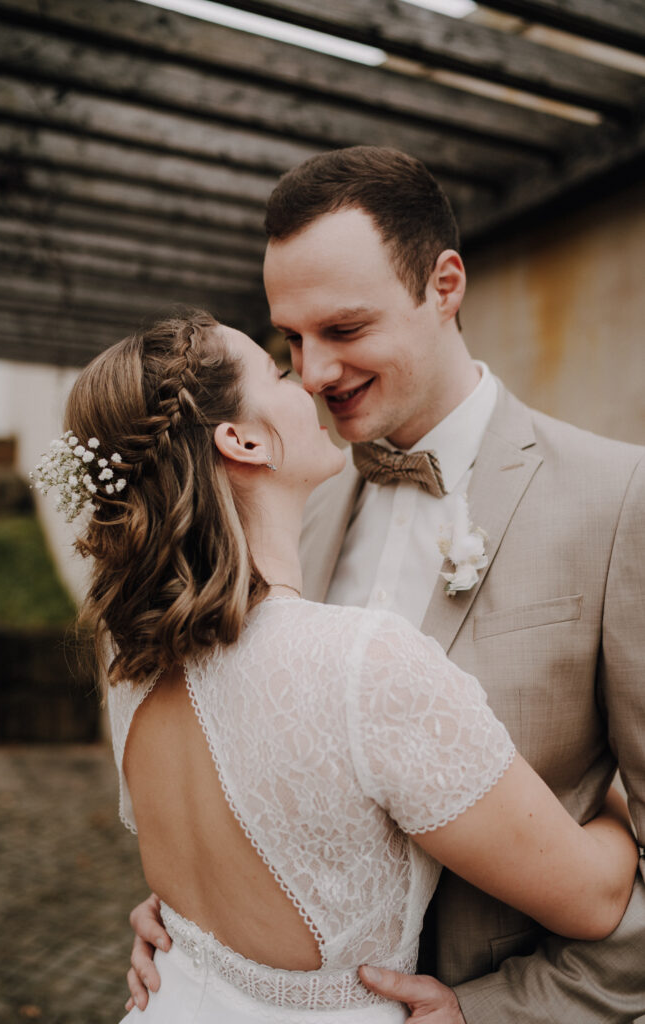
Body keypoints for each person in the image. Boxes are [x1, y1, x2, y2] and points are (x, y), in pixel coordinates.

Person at [126, 148, 645, 1023]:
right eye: (290, 340)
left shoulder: (616, 499)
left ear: (444, 284)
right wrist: (204, 928)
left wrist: (496, 1011)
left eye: (344, 329)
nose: (316, 371)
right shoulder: (296, 501)